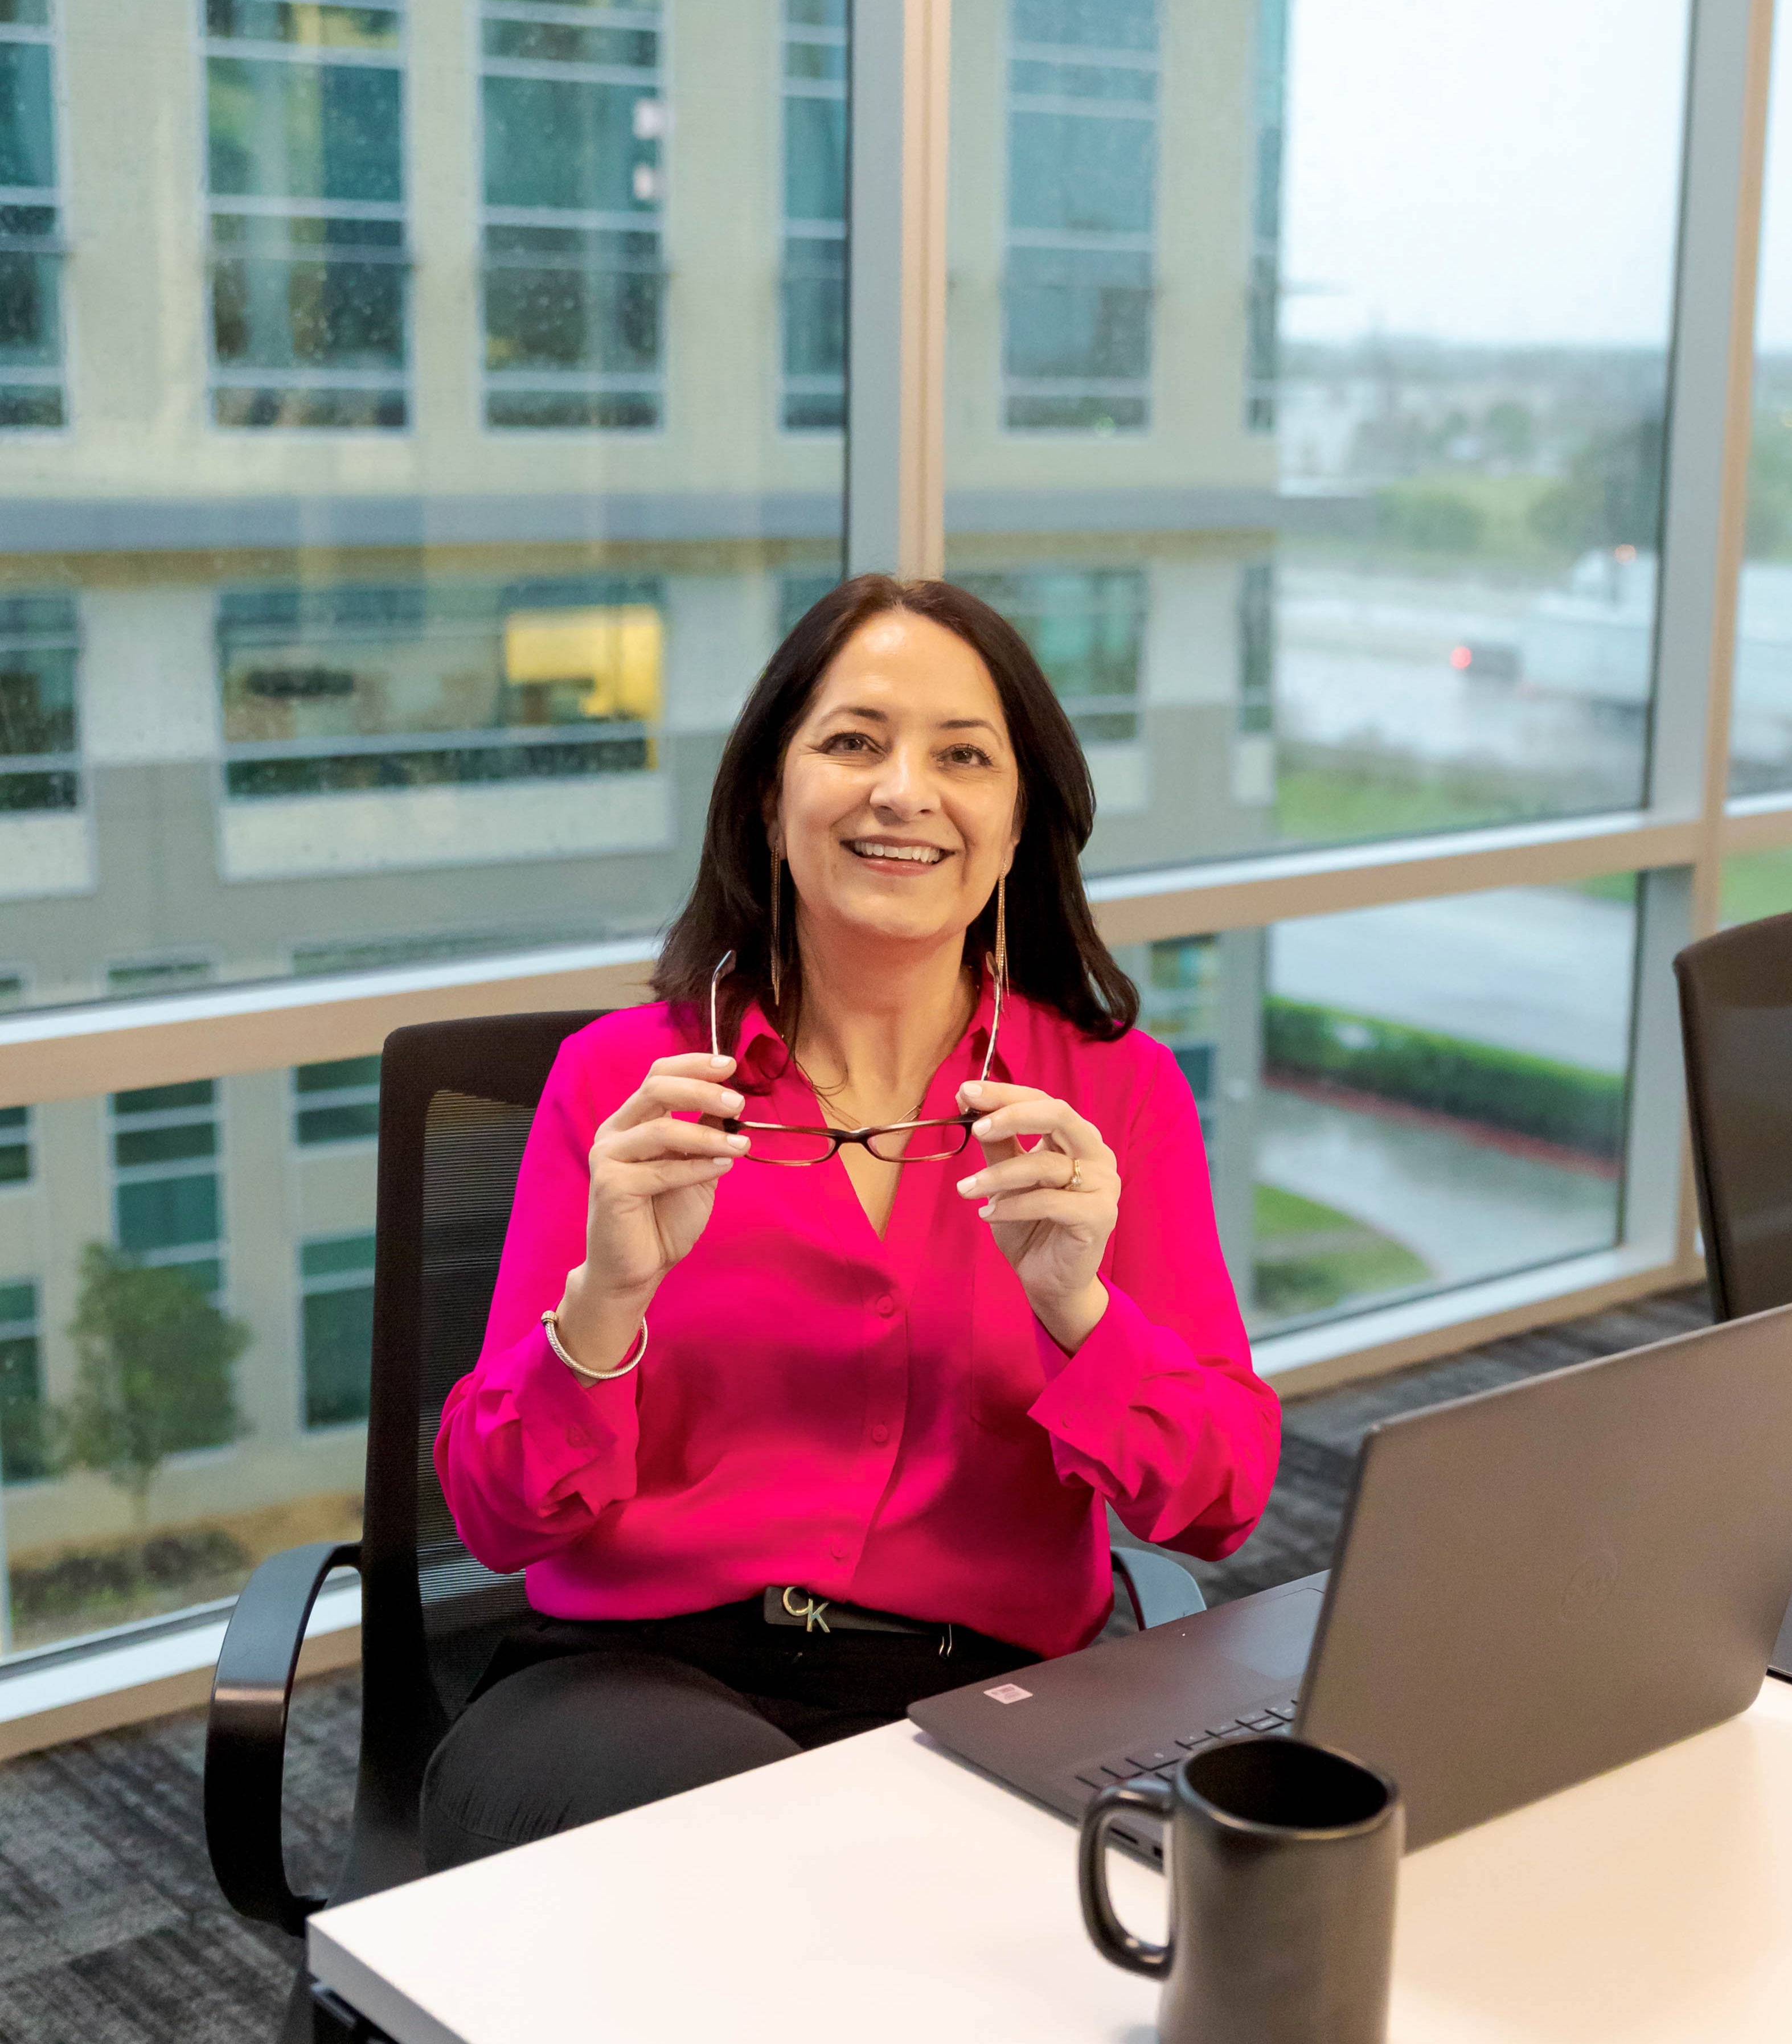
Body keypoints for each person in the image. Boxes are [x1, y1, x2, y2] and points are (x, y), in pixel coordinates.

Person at [423, 574, 1280, 1869]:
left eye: (962, 756)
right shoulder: (629, 1084)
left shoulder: (1111, 1096)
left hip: (980, 1700)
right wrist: (604, 1303)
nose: (902, 791)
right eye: (852, 741)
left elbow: (1218, 1499)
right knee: (794, 1861)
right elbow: (498, 1515)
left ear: (1013, 826)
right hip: (632, 1685)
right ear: (771, 800)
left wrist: (1078, 1312)